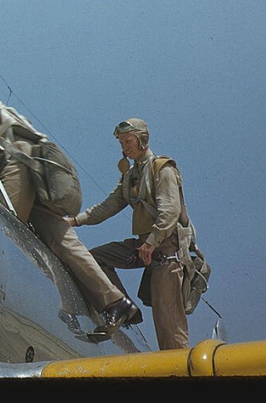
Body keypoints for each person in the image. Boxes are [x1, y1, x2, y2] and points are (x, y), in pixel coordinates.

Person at [0, 61, 138, 340]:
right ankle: (115, 302)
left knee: (1, 230)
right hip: (29, 168)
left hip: (16, 165)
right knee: (62, 240)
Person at [68, 118, 192, 350]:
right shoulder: (130, 177)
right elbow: (107, 206)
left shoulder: (162, 169)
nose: (125, 147)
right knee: (94, 259)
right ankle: (122, 306)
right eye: (122, 143)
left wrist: (152, 242)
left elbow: (170, 211)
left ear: (143, 140)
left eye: (129, 141)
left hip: (165, 253)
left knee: (169, 329)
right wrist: (74, 220)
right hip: (144, 247)